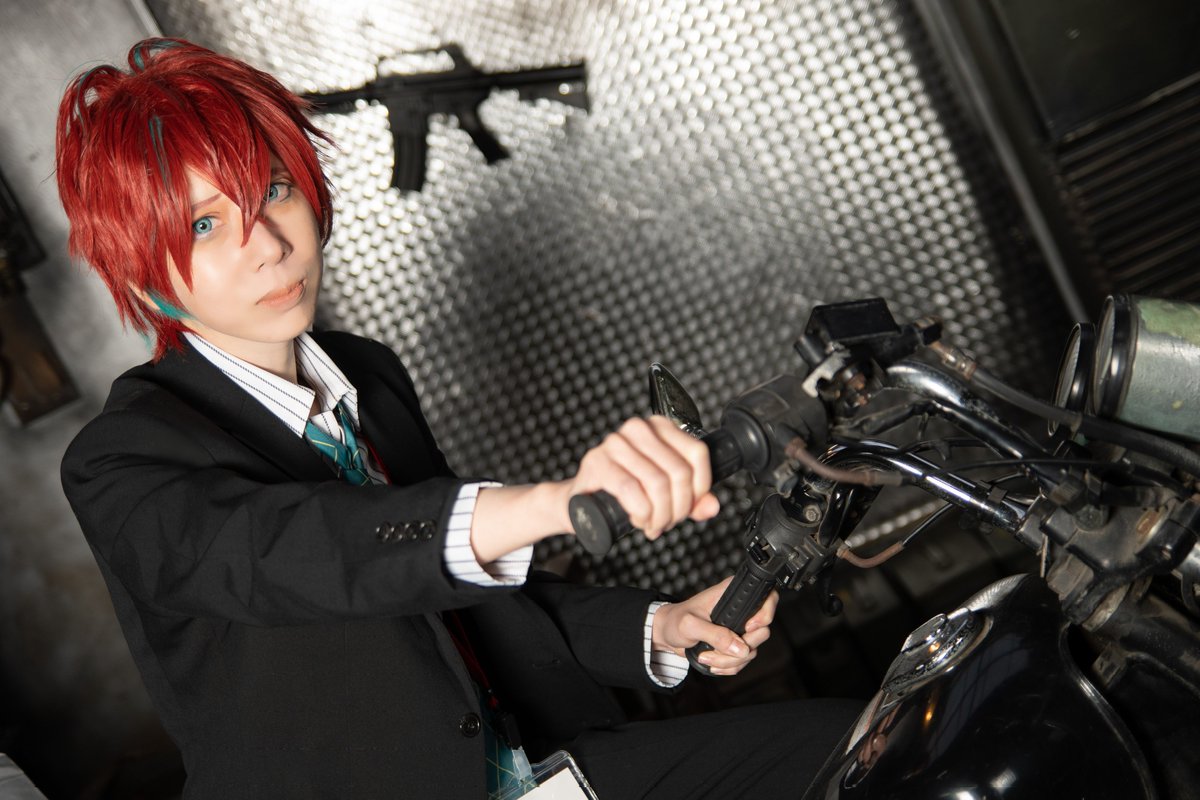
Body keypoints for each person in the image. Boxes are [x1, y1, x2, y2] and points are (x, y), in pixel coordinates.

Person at [56, 37, 859, 799]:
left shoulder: (366, 372)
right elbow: (304, 551)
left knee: (857, 747)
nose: (266, 244)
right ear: (140, 266)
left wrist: (660, 627)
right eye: (204, 225)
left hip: (526, 769)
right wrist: (558, 502)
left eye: (272, 190)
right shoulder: (121, 461)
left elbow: (465, 600)